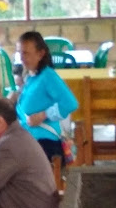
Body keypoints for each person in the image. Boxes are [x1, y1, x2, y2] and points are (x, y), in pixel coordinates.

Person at [16, 31, 78, 162]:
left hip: (44, 145)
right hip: (29, 141)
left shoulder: (48, 76)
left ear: (40, 54)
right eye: (20, 53)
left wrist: (44, 115)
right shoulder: (32, 77)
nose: (21, 58)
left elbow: (70, 103)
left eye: (26, 53)